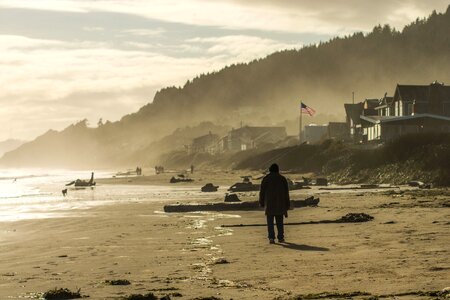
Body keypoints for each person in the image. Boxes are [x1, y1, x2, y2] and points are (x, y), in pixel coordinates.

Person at [259, 163, 290, 244]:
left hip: (269, 204)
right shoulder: (282, 179)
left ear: (270, 170)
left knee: (270, 222)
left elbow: (262, 192)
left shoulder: (266, 179)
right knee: (280, 222)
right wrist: (287, 204)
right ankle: (280, 238)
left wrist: (261, 202)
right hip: (280, 203)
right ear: (277, 170)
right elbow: (286, 193)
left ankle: (271, 238)